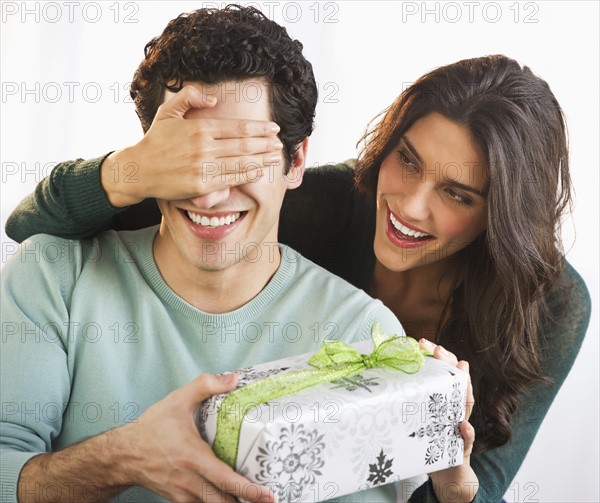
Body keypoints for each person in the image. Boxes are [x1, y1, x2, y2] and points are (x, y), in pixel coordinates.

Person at [3, 39, 590, 503]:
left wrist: (452, 480)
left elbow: (479, 485)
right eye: (405, 161)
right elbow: (35, 227)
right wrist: (135, 166)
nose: (410, 206)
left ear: (502, 217)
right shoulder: (318, 197)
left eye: (458, 194)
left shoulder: (551, 302)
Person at [0, 6, 413, 503]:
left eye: (238, 157)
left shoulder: (363, 336)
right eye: (191, 157)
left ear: (295, 160)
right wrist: (122, 458)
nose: (209, 194)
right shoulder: (51, 277)